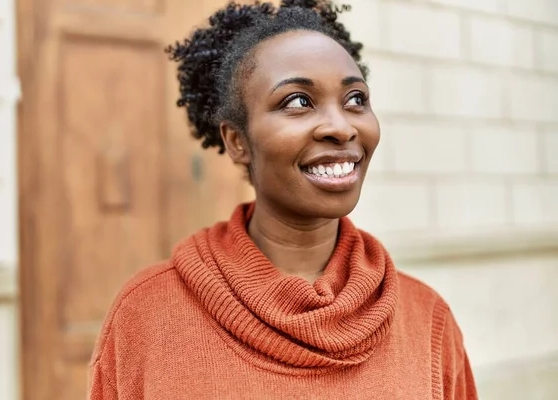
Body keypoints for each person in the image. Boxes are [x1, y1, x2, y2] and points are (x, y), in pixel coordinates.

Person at [88, 1, 478, 399]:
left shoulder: (427, 320)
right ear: (237, 141)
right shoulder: (147, 316)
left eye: (355, 99)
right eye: (297, 101)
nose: (341, 127)